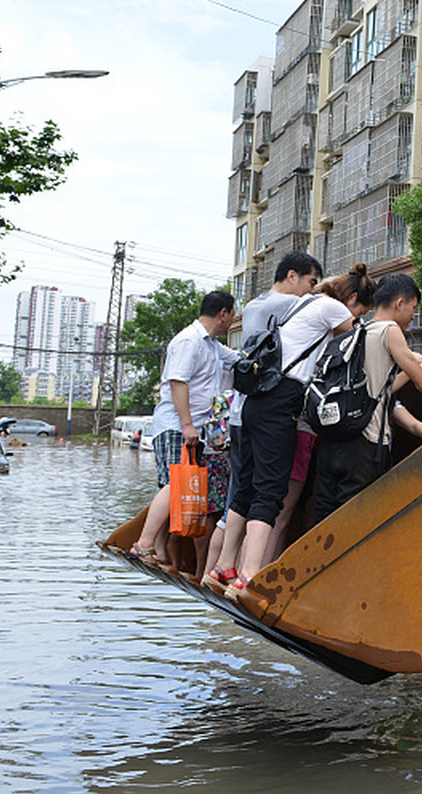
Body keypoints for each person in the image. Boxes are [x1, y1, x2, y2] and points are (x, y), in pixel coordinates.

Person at [308, 272, 422, 526]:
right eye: (413, 308)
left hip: (334, 442)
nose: (412, 315)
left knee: (325, 520)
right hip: (364, 447)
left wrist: (412, 372)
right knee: (355, 525)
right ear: (400, 303)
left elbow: (377, 391)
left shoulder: (357, 332)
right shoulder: (389, 330)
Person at [207, 252, 324, 588]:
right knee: (269, 492)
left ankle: (222, 569)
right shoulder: (292, 307)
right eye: (310, 282)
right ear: (292, 276)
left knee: (241, 492)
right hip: (272, 408)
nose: (311, 292)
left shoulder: (256, 304)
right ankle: (249, 574)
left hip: (242, 413)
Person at [129, 289, 237, 570]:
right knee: (174, 484)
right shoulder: (189, 340)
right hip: (178, 425)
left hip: (191, 429)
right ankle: (143, 543)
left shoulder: (211, 345)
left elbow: (237, 359)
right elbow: (178, 382)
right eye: (233, 314)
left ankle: (159, 548)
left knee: (174, 485)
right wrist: (187, 424)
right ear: (223, 313)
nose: (233, 320)